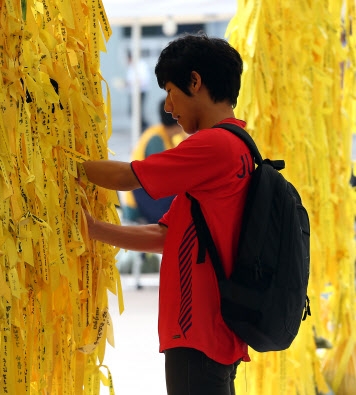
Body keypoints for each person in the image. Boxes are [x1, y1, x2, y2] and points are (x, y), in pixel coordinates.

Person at [82, 33, 251, 395]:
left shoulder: (214, 144)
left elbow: (130, 176)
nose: (169, 107)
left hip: (199, 331)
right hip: (213, 330)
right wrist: (94, 229)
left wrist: (63, 164)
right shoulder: (237, 148)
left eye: (170, 91)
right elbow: (166, 235)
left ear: (195, 81)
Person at [122, 98, 187, 224]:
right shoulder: (156, 139)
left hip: (147, 197)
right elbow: (163, 179)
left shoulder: (164, 135)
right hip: (139, 204)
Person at [126, 51, 150, 130]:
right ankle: (141, 126)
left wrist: (132, 82)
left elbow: (143, 80)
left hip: (140, 91)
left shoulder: (141, 65)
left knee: (138, 111)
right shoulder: (131, 66)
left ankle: (143, 127)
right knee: (132, 110)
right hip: (133, 91)